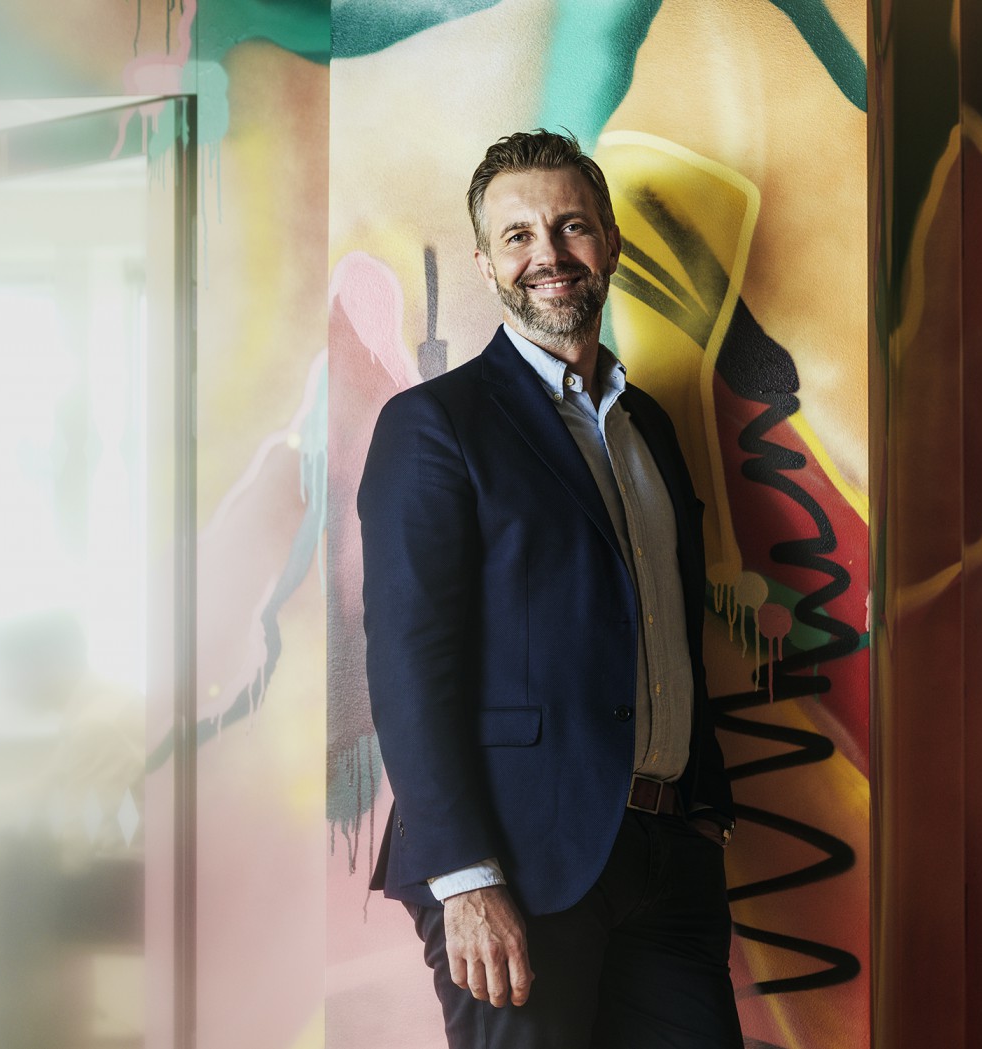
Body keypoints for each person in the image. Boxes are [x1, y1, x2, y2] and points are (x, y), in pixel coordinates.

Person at [358, 129, 745, 1049]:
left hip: (667, 855)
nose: (549, 254)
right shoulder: (435, 425)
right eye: (519, 235)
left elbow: (669, 625)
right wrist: (464, 875)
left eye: (571, 226)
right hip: (517, 866)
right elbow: (408, 664)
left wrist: (703, 812)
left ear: (609, 243)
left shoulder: (649, 427)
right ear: (486, 263)